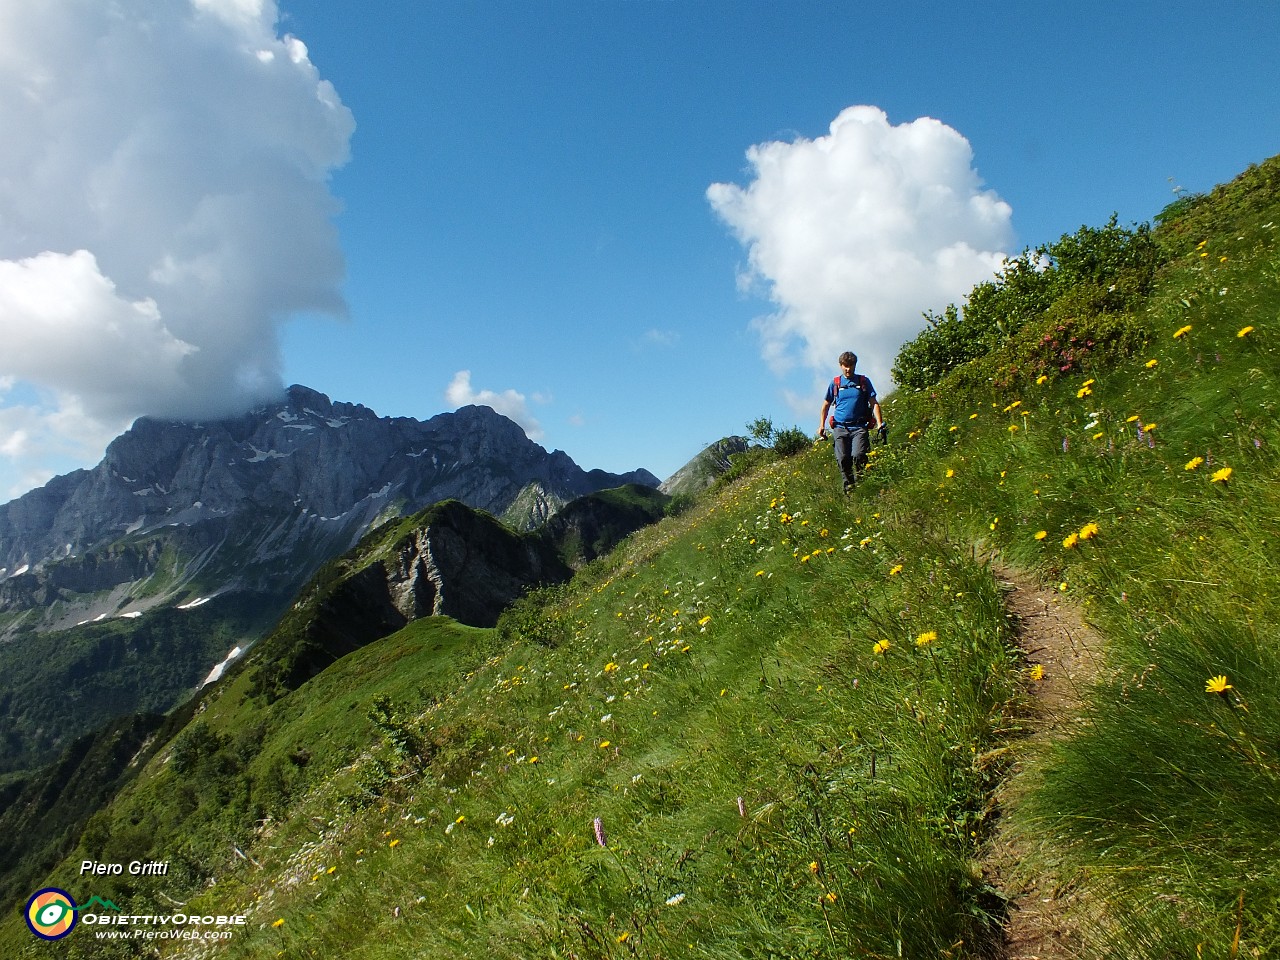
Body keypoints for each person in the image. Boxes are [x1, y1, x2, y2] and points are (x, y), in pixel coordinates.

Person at [818, 351, 884, 493]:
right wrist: (821, 426)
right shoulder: (835, 383)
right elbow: (825, 406)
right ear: (841, 366)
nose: (848, 369)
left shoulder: (863, 382)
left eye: (851, 365)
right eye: (845, 366)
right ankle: (850, 488)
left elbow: (874, 403)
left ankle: (863, 483)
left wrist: (880, 423)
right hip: (840, 427)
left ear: (855, 365)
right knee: (842, 458)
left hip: (859, 427)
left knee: (859, 455)